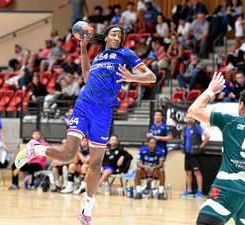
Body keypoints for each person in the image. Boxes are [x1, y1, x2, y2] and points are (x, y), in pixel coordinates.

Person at [15, 24, 156, 225]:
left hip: (104, 111)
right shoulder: (98, 57)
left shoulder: (126, 54)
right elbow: (87, 76)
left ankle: (86, 212)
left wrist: (133, 77)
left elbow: (151, 76)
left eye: (120, 36)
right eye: (114, 34)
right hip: (84, 105)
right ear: (107, 36)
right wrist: (82, 48)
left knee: (96, 163)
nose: (117, 38)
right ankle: (36, 149)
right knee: (68, 154)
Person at [187, 72, 245, 225]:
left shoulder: (229, 121)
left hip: (225, 189)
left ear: (241, 104)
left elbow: (193, 110)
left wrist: (210, 90)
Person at [180, 114, 210, 198]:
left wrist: (201, 146)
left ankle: (200, 191)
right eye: (187, 117)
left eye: (190, 117)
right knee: (188, 172)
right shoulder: (185, 128)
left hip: (195, 154)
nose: (189, 119)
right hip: (187, 153)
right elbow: (182, 136)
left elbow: (207, 136)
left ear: (193, 119)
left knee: (197, 172)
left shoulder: (197, 127)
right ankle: (189, 190)